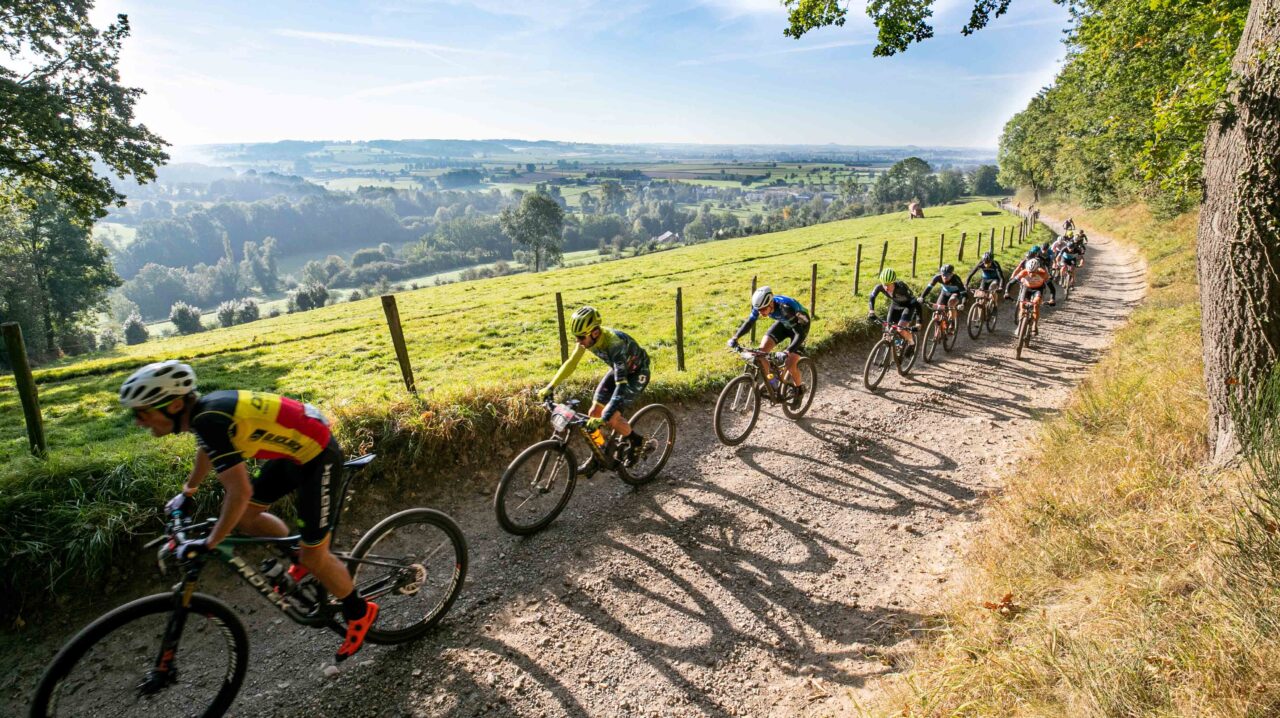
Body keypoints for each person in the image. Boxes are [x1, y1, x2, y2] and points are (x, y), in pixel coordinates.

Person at [120, 361, 378, 661]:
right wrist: (188, 492)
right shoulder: (204, 417)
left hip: (317, 455)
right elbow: (209, 450)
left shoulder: (209, 419)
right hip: (293, 451)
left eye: (143, 412)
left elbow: (239, 491)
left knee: (314, 554)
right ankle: (300, 559)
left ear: (175, 405)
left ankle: (359, 611)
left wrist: (209, 543)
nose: (139, 421)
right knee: (244, 518)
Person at [538, 306, 649, 463]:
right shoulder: (587, 340)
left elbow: (621, 385)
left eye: (581, 337)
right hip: (619, 370)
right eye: (576, 337)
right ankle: (600, 455)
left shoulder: (614, 344)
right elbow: (571, 363)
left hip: (637, 374)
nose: (578, 341)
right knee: (593, 412)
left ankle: (636, 440)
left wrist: (606, 416)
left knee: (611, 419)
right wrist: (550, 386)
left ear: (595, 333)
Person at [727, 285, 811, 405]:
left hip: (800, 328)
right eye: (759, 310)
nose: (761, 313)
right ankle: (773, 383)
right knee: (761, 353)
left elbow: (799, 334)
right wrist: (735, 338)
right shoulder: (761, 305)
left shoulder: (785, 309)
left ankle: (799, 389)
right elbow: (749, 322)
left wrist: (787, 352)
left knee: (790, 364)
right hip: (784, 323)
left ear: (771, 303)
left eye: (763, 309)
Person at [867, 268, 920, 345]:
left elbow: (913, 301)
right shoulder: (879, 287)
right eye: (884, 284)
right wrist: (871, 311)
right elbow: (872, 297)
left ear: (894, 283)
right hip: (896, 305)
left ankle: (911, 342)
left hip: (908, 306)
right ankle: (897, 344)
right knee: (888, 329)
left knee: (900, 329)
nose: (886, 287)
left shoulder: (901, 288)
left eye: (888, 284)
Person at [1007, 257, 1053, 330]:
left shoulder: (1043, 273)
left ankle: (1035, 324)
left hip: (1038, 289)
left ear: (1037, 269)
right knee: (1021, 305)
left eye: (1033, 272)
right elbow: (1011, 283)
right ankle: (1020, 326)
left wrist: (1052, 299)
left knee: (1035, 305)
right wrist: (1007, 292)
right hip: (1027, 288)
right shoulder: (1023, 272)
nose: (1031, 274)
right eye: (1029, 272)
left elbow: (1052, 288)